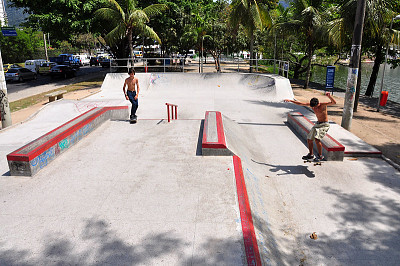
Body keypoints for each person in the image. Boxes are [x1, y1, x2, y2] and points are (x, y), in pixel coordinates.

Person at [284, 92, 336, 162]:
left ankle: (320, 156)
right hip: (318, 124)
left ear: (318, 103)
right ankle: (311, 155)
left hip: (324, 125)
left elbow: (334, 102)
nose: (314, 108)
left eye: (316, 107)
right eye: (313, 107)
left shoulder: (323, 105)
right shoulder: (312, 105)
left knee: (317, 139)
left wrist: (329, 96)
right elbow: (301, 103)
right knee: (309, 139)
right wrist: (290, 100)